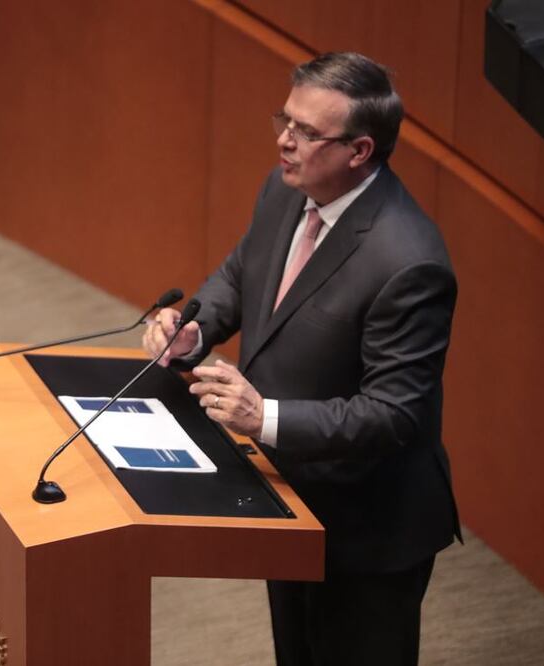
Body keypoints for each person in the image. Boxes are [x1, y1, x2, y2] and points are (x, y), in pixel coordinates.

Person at [143, 52, 461, 666]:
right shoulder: (287, 189)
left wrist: (262, 416)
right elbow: (243, 275)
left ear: (360, 151)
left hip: (366, 524)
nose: (285, 142)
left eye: (307, 132)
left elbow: (393, 414)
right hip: (286, 495)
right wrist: (194, 330)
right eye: (284, 121)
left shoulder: (409, 261)